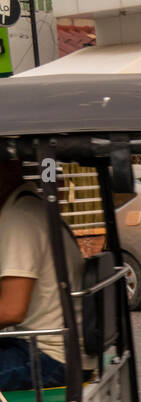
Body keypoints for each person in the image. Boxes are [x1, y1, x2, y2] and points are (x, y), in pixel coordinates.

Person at [0, 160, 86, 390]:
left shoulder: (19, 218)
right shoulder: (28, 206)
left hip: (48, 358)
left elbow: (11, 309)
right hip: (51, 348)